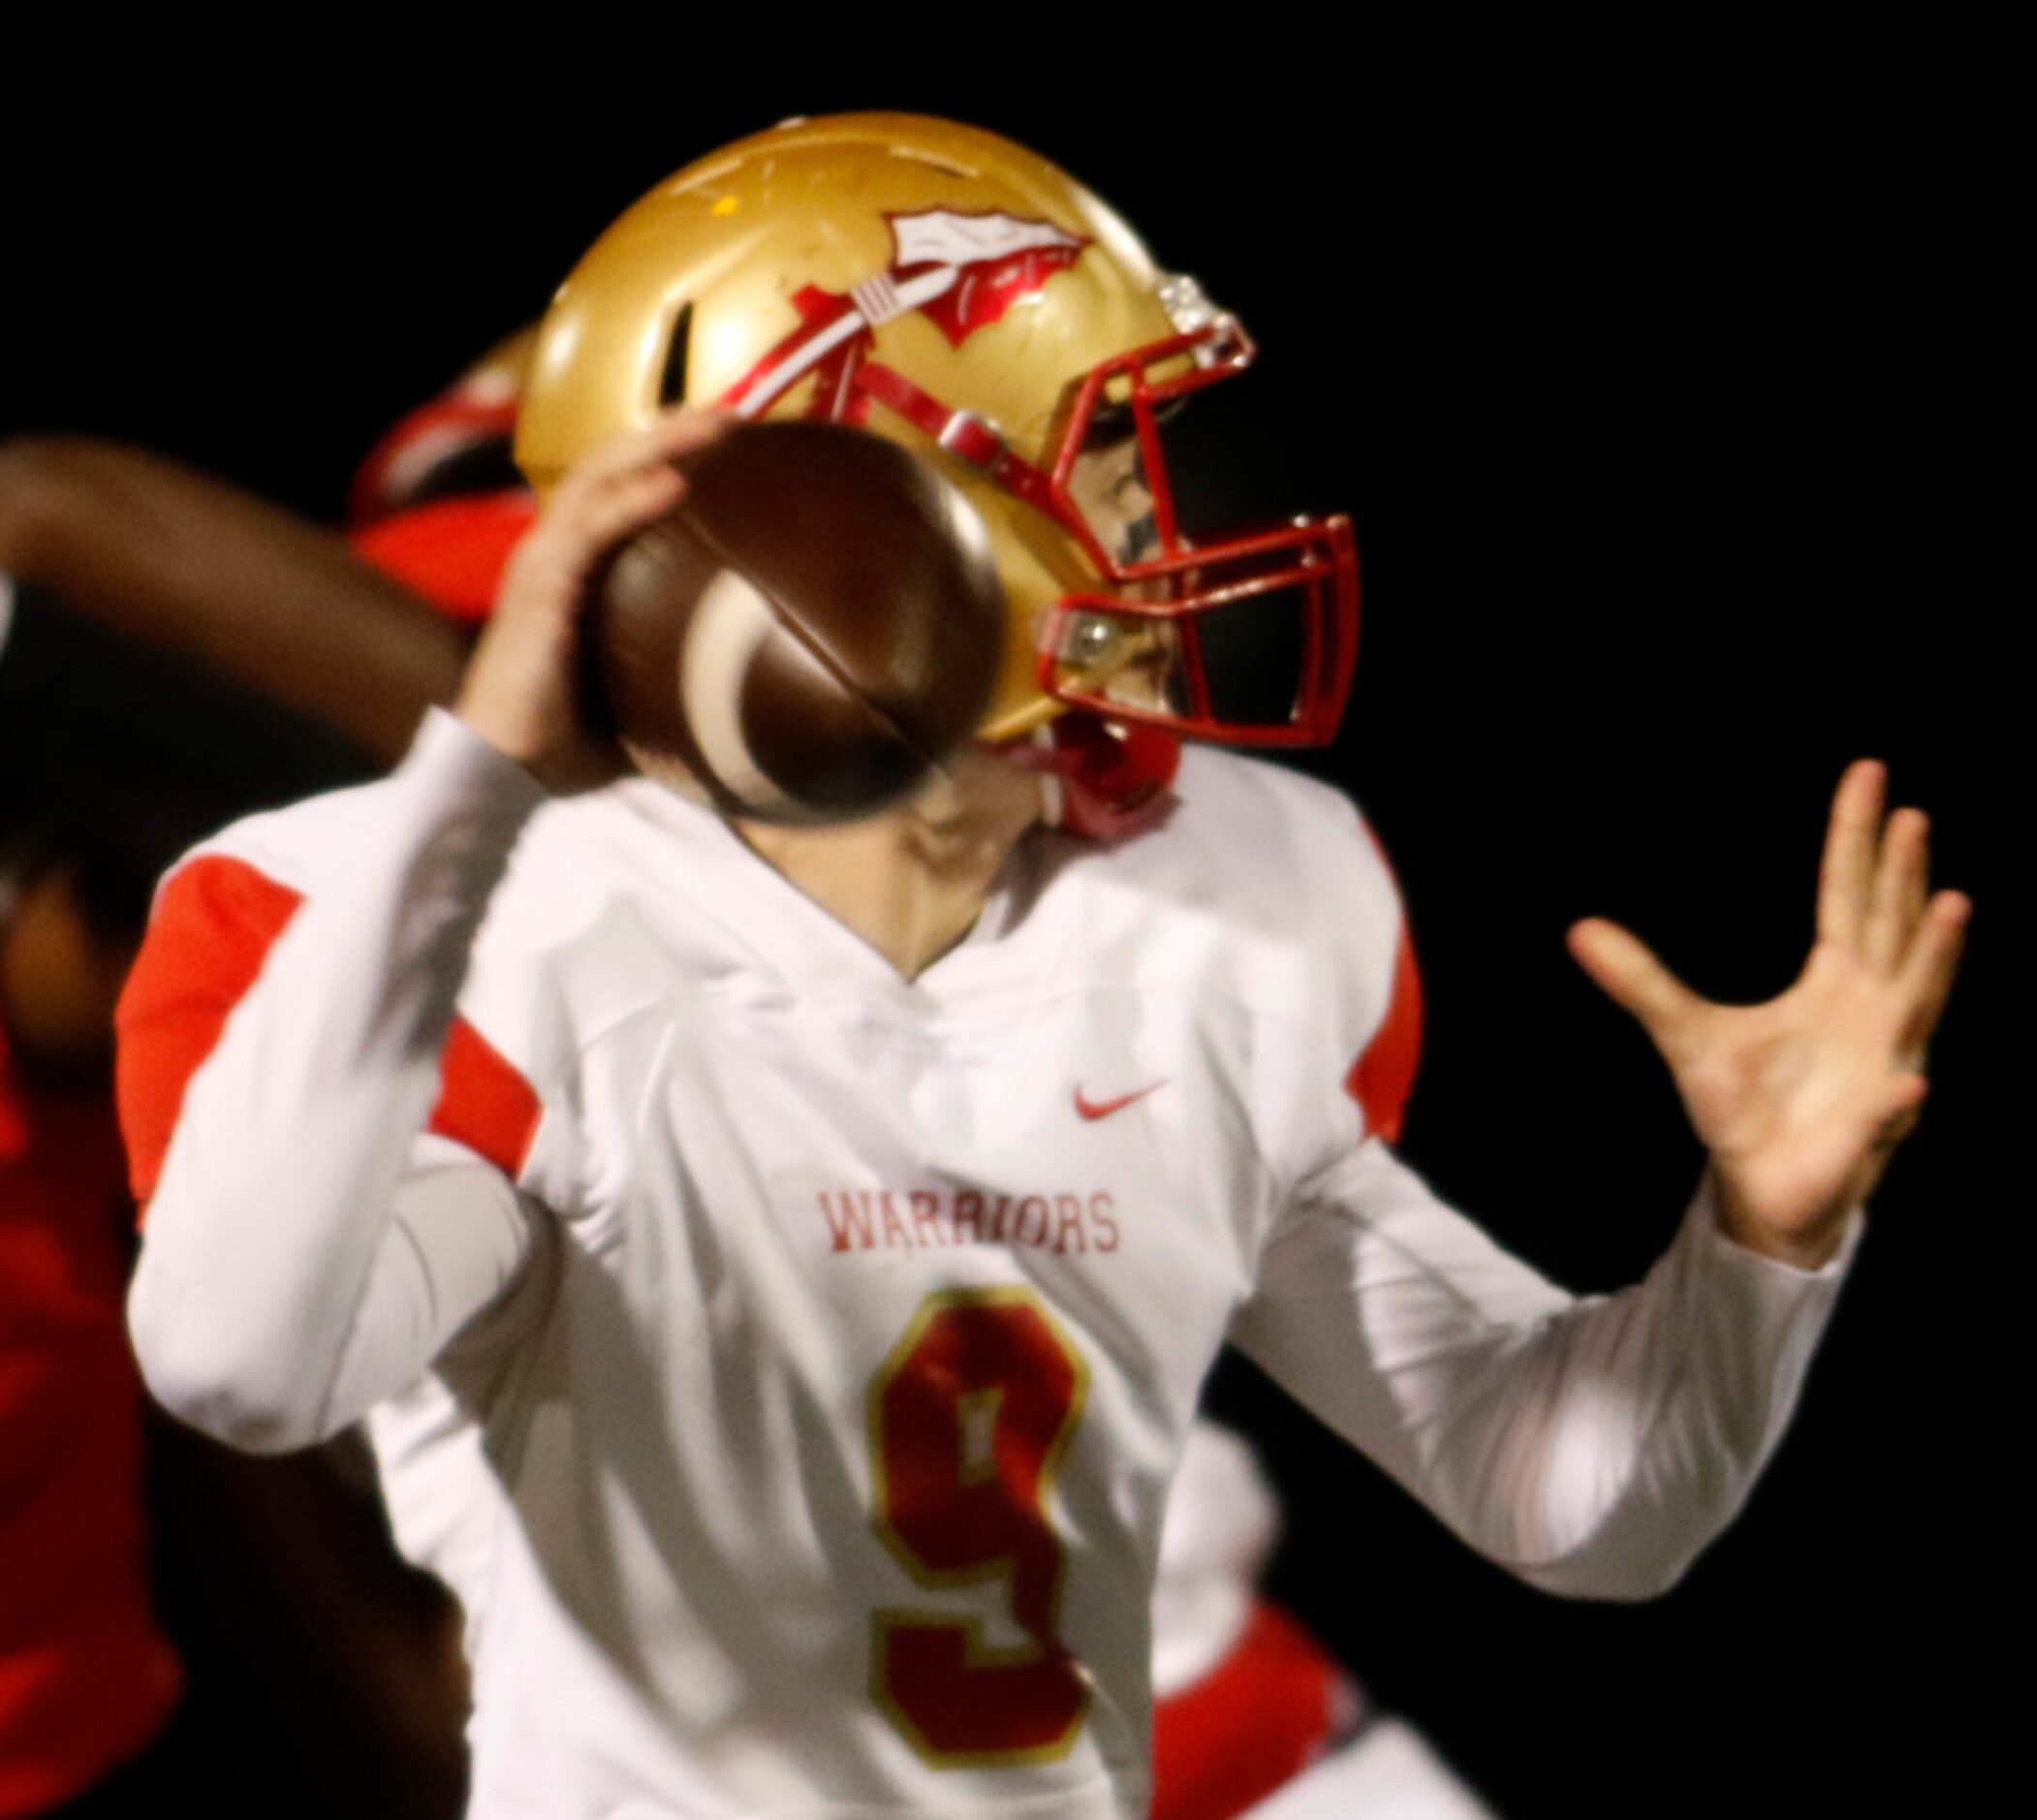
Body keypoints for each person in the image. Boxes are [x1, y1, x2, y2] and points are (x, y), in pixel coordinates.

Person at [115, 113, 1968, 1819]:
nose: (1165, 527)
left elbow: (1572, 1503)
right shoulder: (463, 924)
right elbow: (244, 1361)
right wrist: (470, 806)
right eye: (1097, 455)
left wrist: (1758, 1247)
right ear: (844, 527)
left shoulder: (1228, 893)